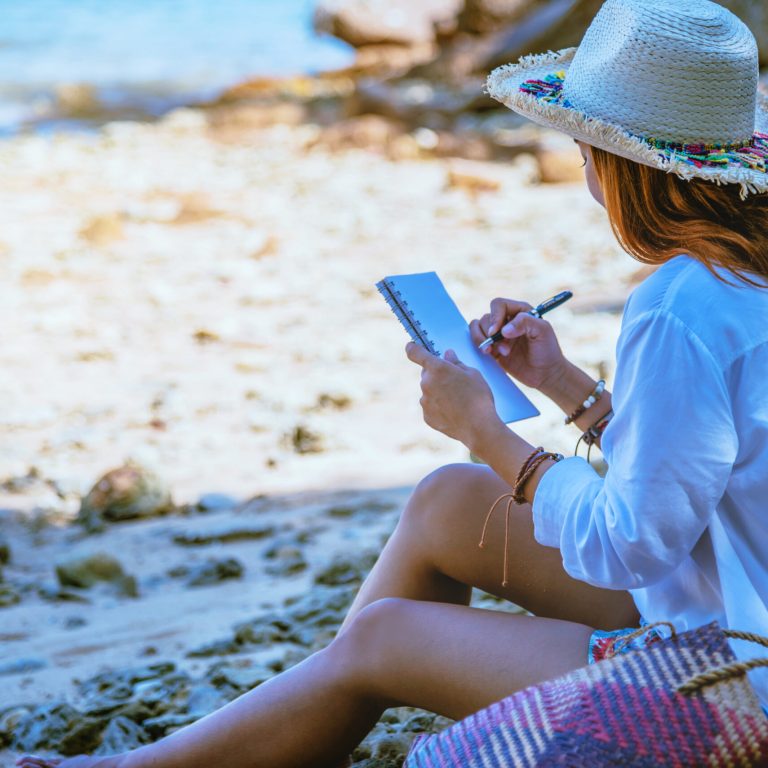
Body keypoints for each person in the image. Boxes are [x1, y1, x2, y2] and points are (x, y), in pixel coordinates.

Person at [18, 0, 768, 766]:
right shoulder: (739, 279)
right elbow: (704, 477)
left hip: (739, 668)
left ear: (626, 165)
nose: (584, 173)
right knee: (449, 501)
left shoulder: (681, 306)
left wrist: (486, 432)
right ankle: (306, 715)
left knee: (385, 636)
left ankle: (158, 762)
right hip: (725, 591)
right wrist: (563, 383)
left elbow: (631, 544)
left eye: (585, 153)